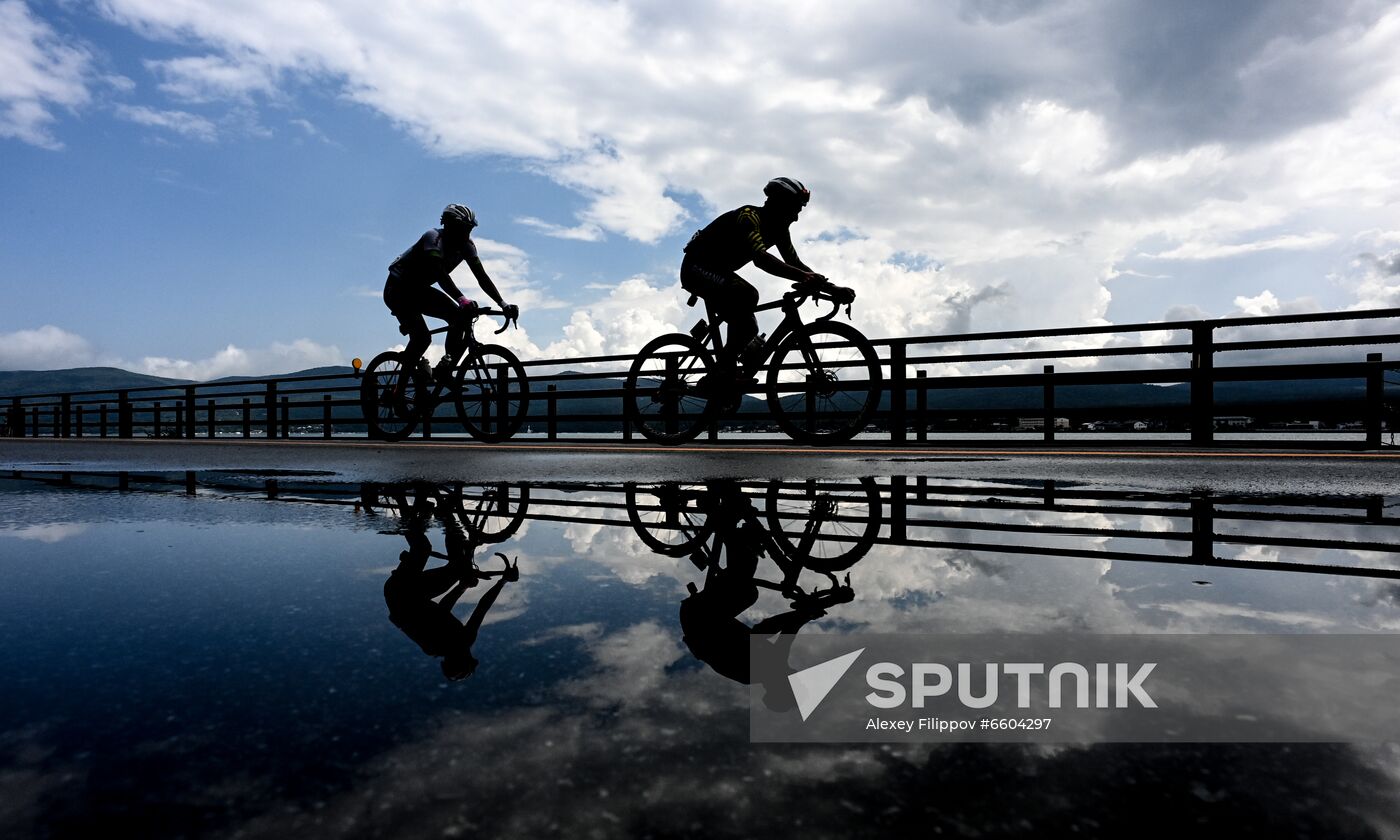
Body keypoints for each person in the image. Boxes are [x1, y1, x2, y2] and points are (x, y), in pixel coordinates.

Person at [680, 177, 827, 383]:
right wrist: (804, 277)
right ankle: (721, 373)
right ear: (780, 203)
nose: (796, 218)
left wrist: (831, 287)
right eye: (794, 210)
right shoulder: (749, 217)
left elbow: (794, 262)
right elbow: (761, 259)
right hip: (696, 268)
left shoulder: (779, 230)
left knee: (749, 327)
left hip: (717, 271)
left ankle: (724, 374)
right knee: (747, 294)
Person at [383, 204, 518, 384]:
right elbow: (439, 274)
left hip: (419, 290)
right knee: (422, 338)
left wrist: (503, 304)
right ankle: (398, 391)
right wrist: (462, 300)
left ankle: (444, 370)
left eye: (470, 229)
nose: (467, 234)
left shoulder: (467, 246)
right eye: (463, 229)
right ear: (449, 225)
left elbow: (482, 277)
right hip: (398, 290)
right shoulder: (433, 238)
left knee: (459, 318)